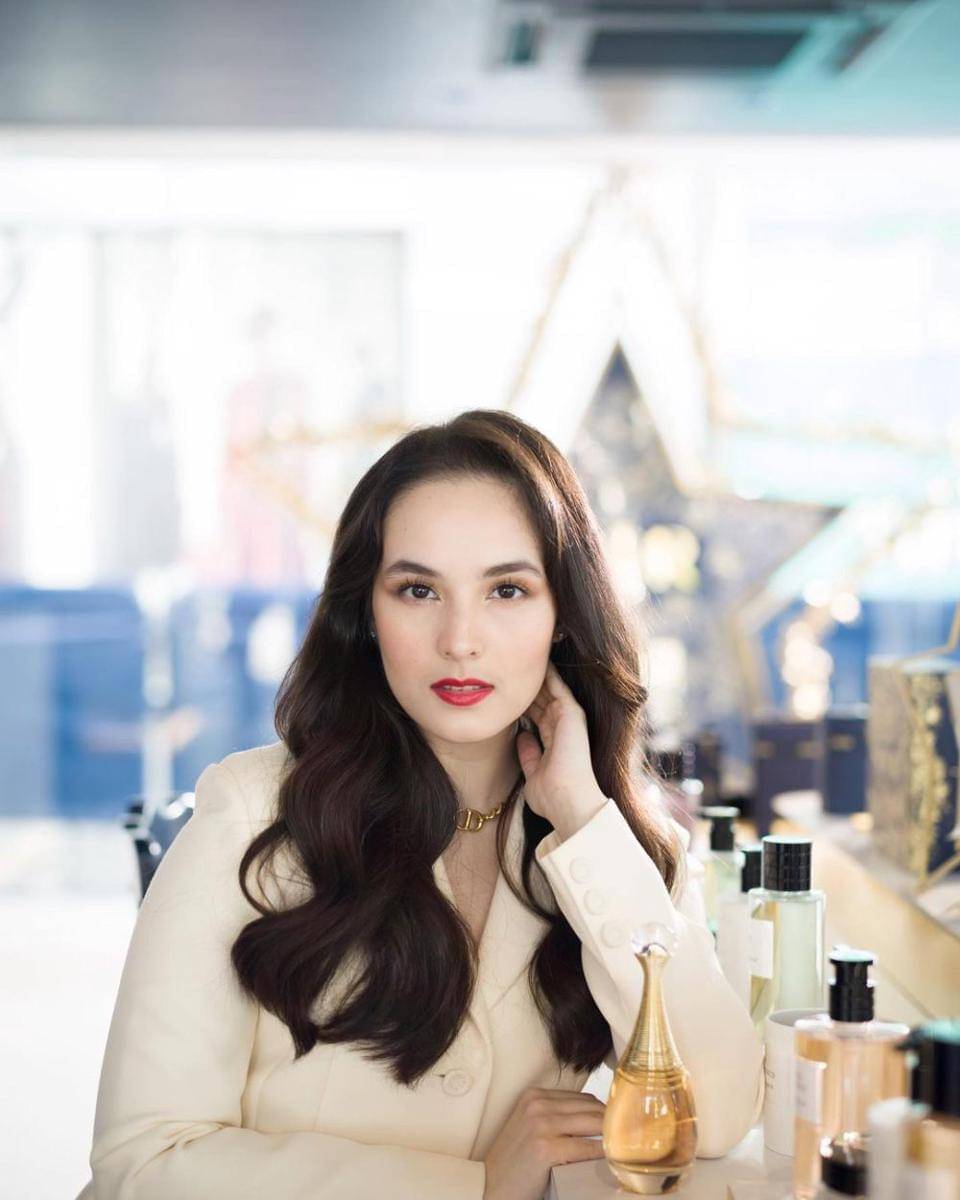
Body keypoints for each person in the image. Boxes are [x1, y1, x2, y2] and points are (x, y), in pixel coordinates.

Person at [79, 409, 763, 1200]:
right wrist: (473, 1188)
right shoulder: (252, 814)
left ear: (562, 617)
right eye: (417, 590)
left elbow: (715, 1114)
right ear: (366, 616)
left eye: (507, 589)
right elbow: (142, 1161)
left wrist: (580, 814)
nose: (460, 639)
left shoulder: (605, 840)